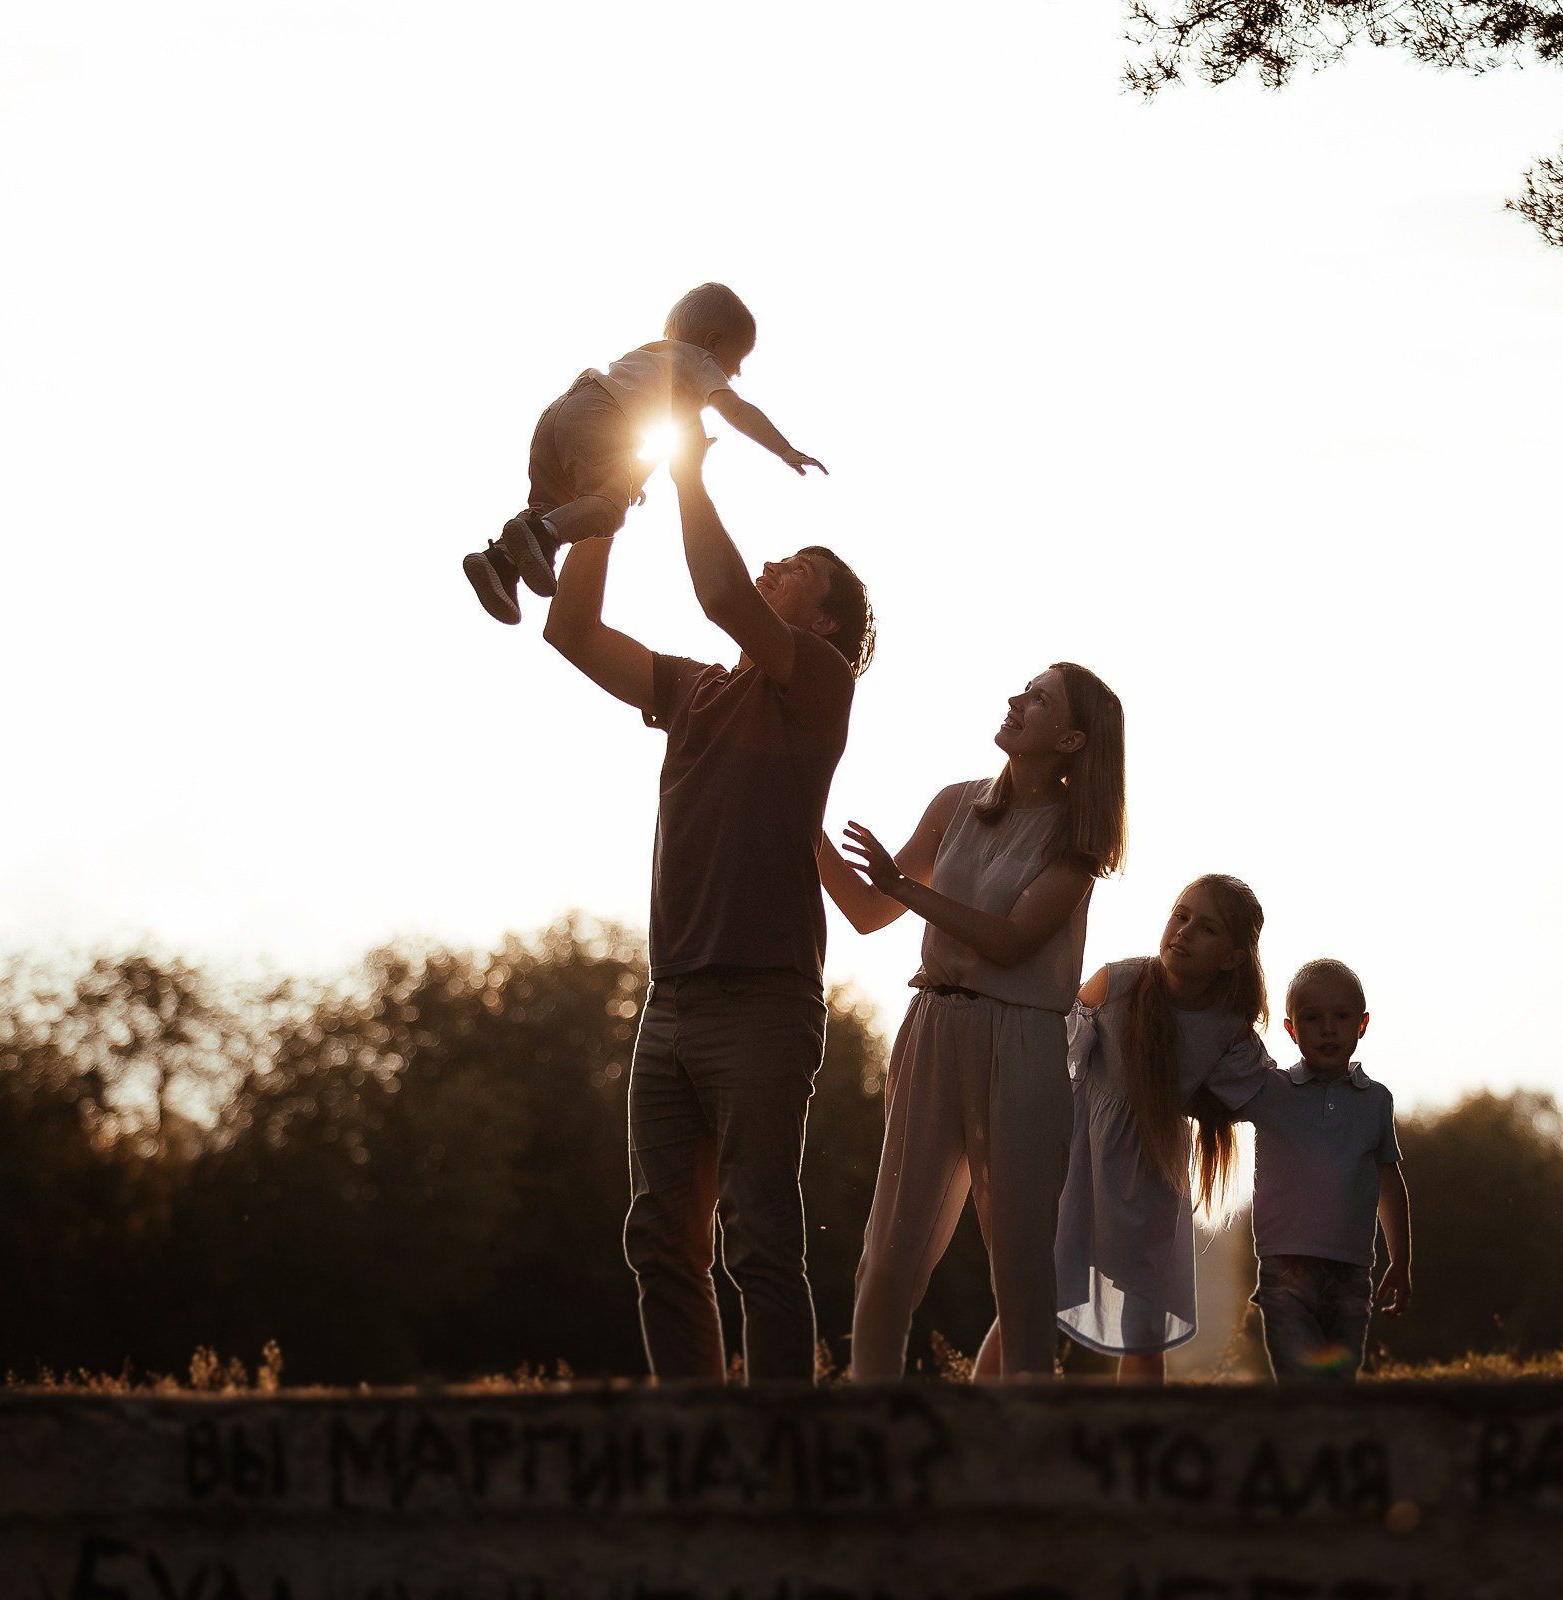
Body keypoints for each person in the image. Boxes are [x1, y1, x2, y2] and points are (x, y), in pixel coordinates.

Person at [540, 430, 873, 1384]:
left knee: (761, 1243)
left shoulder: (819, 684)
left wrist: (685, 468)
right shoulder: (693, 689)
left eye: (797, 569)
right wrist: (604, 511)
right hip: (671, 1002)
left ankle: (779, 1468)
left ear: (828, 621)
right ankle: (702, 1454)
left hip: (765, 1004)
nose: (772, 565)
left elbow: (721, 591)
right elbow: (573, 633)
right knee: (660, 1245)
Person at [822, 664, 1129, 1383]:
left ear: (1073, 738)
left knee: (1021, 1264)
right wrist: (803, 821)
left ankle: (1022, 1445)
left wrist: (902, 886)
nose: (1017, 701)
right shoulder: (956, 804)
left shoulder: (1076, 844)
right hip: (931, 1024)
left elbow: (1010, 941)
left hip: (1021, 1043)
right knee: (888, 1254)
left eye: (1039, 699)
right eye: (1024, 690)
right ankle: (873, 1430)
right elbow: (870, 913)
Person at [466, 282, 827, 625]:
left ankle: (498, 562)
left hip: (561, 412)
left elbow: (661, 441)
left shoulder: (651, 355)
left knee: (559, 502)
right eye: (738, 359)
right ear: (713, 342)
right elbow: (735, 409)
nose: (737, 372)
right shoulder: (701, 361)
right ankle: (543, 534)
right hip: (598, 417)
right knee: (608, 507)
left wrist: (634, 477)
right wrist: (784, 449)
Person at [1053, 875, 1271, 1381]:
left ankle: (1140, 1443)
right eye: (1181, 915)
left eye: (1207, 928)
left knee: (1144, 1329)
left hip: (1149, 1180)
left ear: (1233, 957)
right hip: (1077, 1165)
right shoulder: (1116, 983)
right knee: (1034, 1303)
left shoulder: (1227, 1028)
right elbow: (1055, 1063)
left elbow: (1262, 1096)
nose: (1185, 931)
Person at [1243, 958, 1413, 1382]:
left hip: (1352, 1271)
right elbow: (1223, 1060)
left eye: (1341, 1017)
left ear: (1363, 1023)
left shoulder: (1376, 1101)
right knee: (1300, 1382)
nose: (1328, 1028)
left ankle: (1330, 1445)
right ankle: (1300, 1445)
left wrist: (1401, 1260)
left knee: (1339, 1384)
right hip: (1285, 1270)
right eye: (1312, 1018)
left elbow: (1388, 1182)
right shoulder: (1271, 1090)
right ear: (1291, 1029)